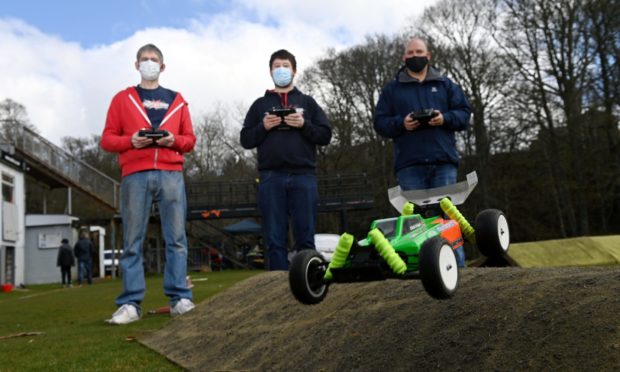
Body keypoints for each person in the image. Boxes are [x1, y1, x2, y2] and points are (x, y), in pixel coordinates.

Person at [101, 43, 196, 325]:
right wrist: (130, 141)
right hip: (135, 174)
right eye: (144, 59)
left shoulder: (177, 100)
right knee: (132, 240)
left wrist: (172, 141)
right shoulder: (122, 99)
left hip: (171, 174)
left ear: (163, 66)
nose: (149, 63)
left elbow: (189, 140)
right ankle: (130, 304)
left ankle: (180, 298)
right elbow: (107, 139)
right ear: (136, 65)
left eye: (154, 59)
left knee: (176, 238)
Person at [374, 37, 471, 267]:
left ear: (428, 55)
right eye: (410, 52)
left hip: (443, 162)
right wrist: (402, 124)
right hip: (410, 166)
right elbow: (379, 122)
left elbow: (465, 114)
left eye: (419, 51)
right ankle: (416, 271)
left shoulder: (446, 84)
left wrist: (444, 118)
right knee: (412, 223)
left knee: (447, 220)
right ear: (403, 57)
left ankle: (458, 268)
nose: (414, 55)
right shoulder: (392, 89)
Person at [240, 49, 332, 270]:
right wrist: (263, 127)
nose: (281, 70)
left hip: (303, 175)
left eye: (285, 66)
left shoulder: (307, 103)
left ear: (294, 71)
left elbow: (325, 135)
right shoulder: (259, 105)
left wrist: (303, 125)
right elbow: (245, 139)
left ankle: (309, 280)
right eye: (277, 66)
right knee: (274, 237)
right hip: (271, 177)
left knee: (305, 236)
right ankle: (277, 288)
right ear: (271, 71)